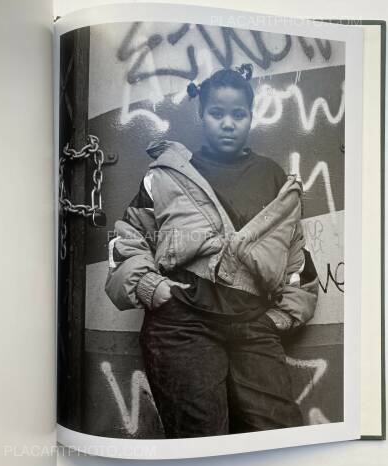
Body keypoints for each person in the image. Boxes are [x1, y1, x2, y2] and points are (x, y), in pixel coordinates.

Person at [105, 64, 319, 438]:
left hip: (253, 325)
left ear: (251, 117)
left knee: (278, 434)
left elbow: (295, 258)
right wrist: (155, 290)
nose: (228, 123)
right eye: (217, 113)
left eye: (238, 114)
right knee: (200, 437)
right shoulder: (169, 173)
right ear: (201, 114)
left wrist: (277, 319)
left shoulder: (272, 176)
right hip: (181, 325)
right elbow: (129, 238)